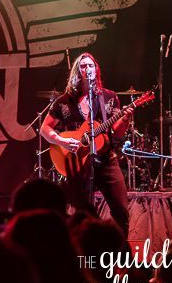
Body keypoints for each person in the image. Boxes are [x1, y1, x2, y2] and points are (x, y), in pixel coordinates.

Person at [40, 52, 130, 234]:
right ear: (77, 71)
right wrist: (61, 141)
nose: (87, 69)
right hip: (78, 163)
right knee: (83, 215)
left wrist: (126, 120)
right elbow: (45, 129)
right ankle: (87, 253)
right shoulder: (64, 101)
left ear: (96, 70)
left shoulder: (109, 97)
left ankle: (118, 256)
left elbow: (116, 132)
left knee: (121, 211)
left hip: (106, 160)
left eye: (90, 65)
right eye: (83, 66)